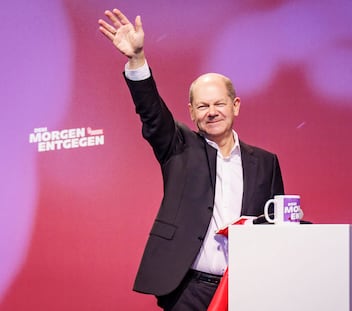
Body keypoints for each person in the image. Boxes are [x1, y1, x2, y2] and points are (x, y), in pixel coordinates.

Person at [98, 8, 284, 311]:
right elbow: (152, 114)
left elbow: (278, 224)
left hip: (247, 289)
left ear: (235, 106)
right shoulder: (179, 146)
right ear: (192, 112)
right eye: (202, 106)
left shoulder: (265, 162)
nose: (211, 112)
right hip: (187, 290)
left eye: (219, 103)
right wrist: (136, 59)